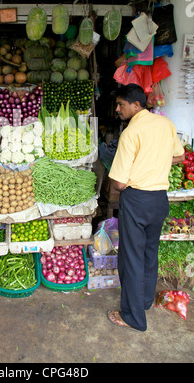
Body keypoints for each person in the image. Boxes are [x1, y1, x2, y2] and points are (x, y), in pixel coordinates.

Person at [107, 84, 185, 332]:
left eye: (121, 105)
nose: (118, 109)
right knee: (149, 253)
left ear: (136, 105)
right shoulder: (166, 124)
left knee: (131, 257)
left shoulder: (131, 133)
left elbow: (119, 182)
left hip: (137, 200)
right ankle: (145, 302)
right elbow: (179, 156)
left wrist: (136, 170)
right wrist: (154, 161)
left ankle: (133, 317)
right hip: (159, 200)